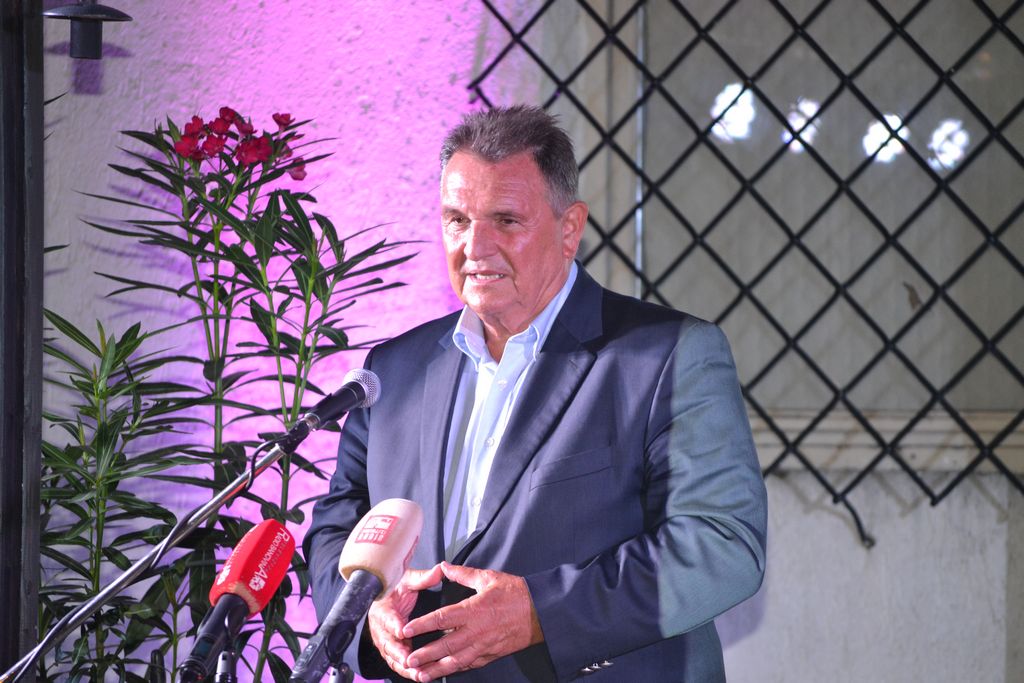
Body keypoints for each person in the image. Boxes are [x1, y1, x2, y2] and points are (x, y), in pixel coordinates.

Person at [304, 105, 767, 682]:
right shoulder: (393, 370)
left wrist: (539, 613)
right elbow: (337, 526)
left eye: (506, 220)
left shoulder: (669, 356)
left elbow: (721, 547)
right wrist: (365, 612)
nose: (475, 246)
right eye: (456, 220)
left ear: (569, 229)